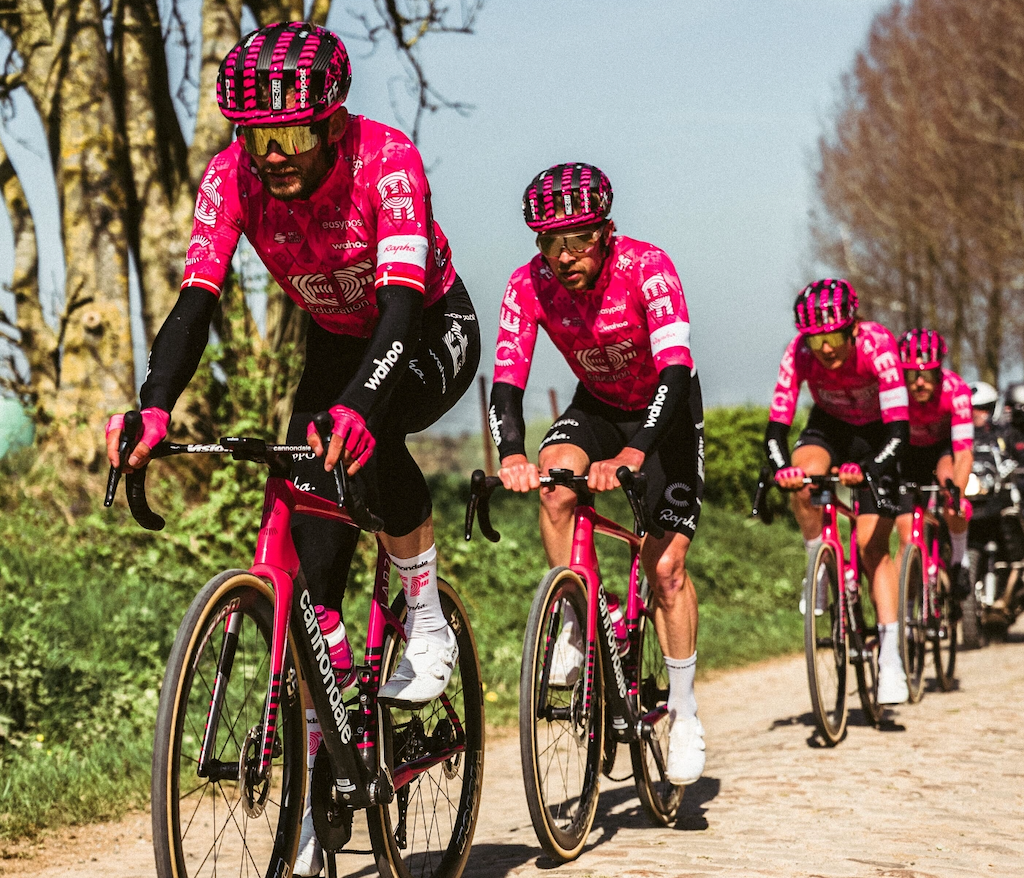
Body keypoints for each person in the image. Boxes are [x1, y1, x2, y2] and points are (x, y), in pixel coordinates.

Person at [104, 22, 480, 876]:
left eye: (291, 136)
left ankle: (424, 615)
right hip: (335, 341)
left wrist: (362, 410)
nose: (270, 156)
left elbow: (398, 307)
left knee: (369, 432)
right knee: (311, 575)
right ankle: (325, 768)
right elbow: (195, 302)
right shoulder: (230, 176)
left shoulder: (387, 161)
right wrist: (154, 407)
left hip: (423, 327)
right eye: (254, 135)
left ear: (333, 124)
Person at [488, 162, 707, 785]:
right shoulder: (528, 284)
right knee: (556, 482)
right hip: (599, 407)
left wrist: (636, 453)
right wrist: (511, 452)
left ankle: (684, 712)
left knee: (665, 569)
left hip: (666, 411)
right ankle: (579, 619)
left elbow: (674, 372)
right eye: (550, 242)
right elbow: (506, 383)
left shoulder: (647, 266)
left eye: (579, 239)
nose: (564, 256)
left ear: (606, 232)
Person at [765, 279, 910, 705]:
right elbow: (775, 430)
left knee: (871, 548)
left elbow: (899, 431)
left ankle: (891, 660)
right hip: (830, 426)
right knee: (803, 479)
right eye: (815, 340)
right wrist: (782, 469)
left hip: (880, 434)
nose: (825, 349)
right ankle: (819, 564)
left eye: (833, 338)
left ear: (853, 329)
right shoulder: (798, 353)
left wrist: (870, 469)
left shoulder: (878, 345)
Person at [893, 329, 973, 594]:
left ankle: (960, 558)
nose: (919, 383)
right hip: (908, 451)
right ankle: (904, 610)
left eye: (927, 375)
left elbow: (964, 452)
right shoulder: (894, 392)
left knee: (950, 487)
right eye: (911, 375)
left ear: (939, 371)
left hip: (943, 449)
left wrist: (956, 493)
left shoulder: (956, 390)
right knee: (906, 535)